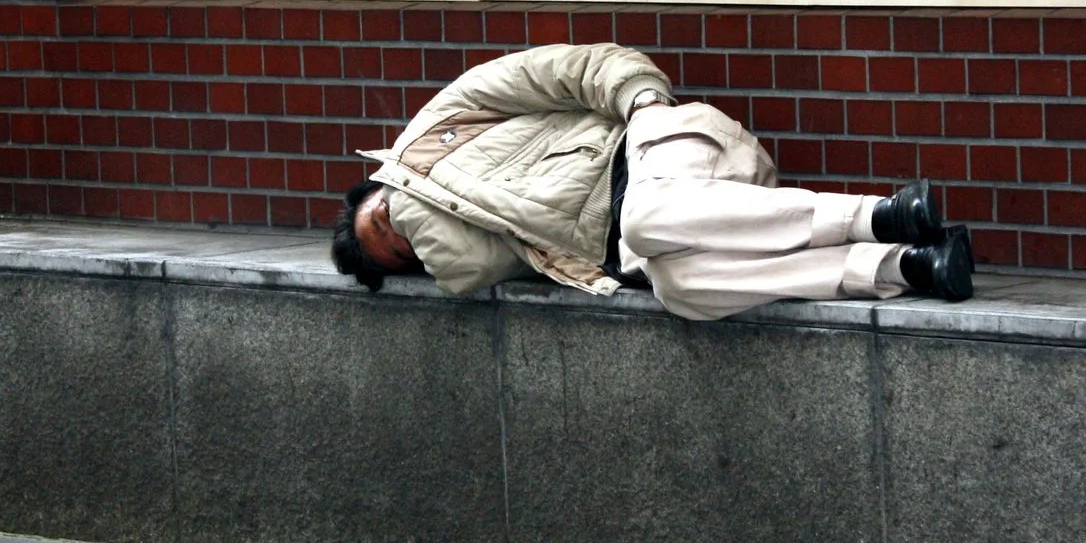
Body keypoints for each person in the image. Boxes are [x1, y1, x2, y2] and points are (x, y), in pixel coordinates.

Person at [328, 42, 973, 320]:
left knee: (641, 215)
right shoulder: (461, 256)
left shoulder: (440, 122)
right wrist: (418, 225)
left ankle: (877, 212)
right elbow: (463, 260)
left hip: (660, 148)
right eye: (400, 253)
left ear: (379, 181)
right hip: (665, 243)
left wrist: (642, 102)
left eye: (385, 217)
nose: (405, 232)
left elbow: (575, 67)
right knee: (681, 289)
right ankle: (903, 263)